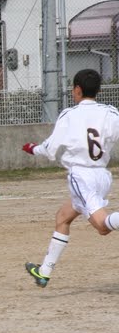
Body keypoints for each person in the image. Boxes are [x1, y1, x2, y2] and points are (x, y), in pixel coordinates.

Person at [22, 68, 119, 288]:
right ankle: (44, 271)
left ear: (77, 89)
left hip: (81, 176)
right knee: (63, 218)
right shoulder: (111, 113)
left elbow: (49, 149)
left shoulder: (69, 114)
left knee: (102, 226)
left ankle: (45, 271)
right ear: (99, 90)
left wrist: (32, 148)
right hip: (102, 176)